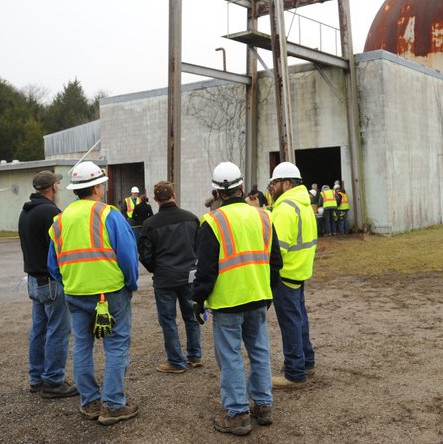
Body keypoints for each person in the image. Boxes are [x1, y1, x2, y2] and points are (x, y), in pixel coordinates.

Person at [193, 161, 283, 436]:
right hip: (258, 297)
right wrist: (268, 292)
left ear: (217, 193)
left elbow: (205, 270)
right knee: (259, 350)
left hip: (227, 302)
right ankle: (263, 406)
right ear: (242, 188)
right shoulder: (264, 216)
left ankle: (237, 413)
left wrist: (197, 300)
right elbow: (275, 262)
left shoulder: (212, 222)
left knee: (230, 356)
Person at [47, 161, 139, 426]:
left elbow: (53, 265)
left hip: (76, 294)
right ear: (97, 187)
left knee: (83, 345)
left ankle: (90, 402)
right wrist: (130, 284)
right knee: (116, 345)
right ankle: (112, 404)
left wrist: (71, 283)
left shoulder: (59, 220)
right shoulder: (108, 215)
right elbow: (128, 257)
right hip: (110, 293)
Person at [18, 170, 78, 399]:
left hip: (33, 280)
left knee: (39, 330)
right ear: (53, 187)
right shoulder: (51, 212)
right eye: (58, 184)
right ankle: (53, 381)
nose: (59, 187)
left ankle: (36, 378)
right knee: (58, 331)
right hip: (51, 281)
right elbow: (61, 247)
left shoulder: (26, 211)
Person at [138, 181, 203, 374]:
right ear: (174, 195)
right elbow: (199, 245)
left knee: (168, 320)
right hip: (189, 275)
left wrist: (156, 269)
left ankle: (176, 361)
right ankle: (195, 355)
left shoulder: (150, 225)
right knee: (192, 316)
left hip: (164, 278)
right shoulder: (191, 218)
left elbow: (145, 254)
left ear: (156, 199)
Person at [267, 162, 318, 389]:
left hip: (285, 273)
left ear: (286, 183)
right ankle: (307, 363)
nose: (272, 187)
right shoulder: (303, 203)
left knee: (290, 323)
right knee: (299, 319)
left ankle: (295, 374)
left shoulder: (286, 207)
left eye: (274, 183)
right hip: (299, 270)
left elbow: (278, 248)